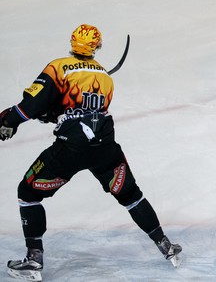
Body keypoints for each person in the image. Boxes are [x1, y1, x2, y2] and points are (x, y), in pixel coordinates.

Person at [0, 24, 182, 281]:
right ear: (97, 47)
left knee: (27, 193)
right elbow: (85, 113)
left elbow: (34, 104)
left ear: (72, 43)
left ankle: (34, 259)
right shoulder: (106, 78)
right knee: (130, 195)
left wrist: (9, 121)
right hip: (105, 148)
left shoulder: (59, 67)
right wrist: (53, 113)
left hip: (70, 149)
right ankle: (166, 246)